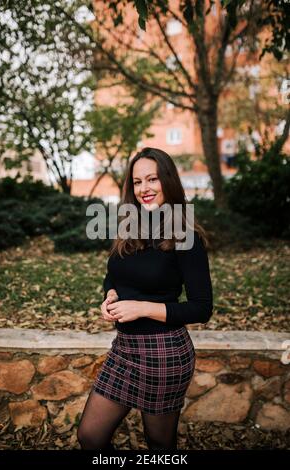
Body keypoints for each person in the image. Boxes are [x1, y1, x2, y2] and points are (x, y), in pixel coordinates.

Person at [77, 147, 213, 451]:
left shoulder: (185, 238)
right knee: (90, 436)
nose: (144, 189)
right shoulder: (131, 227)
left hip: (164, 354)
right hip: (123, 350)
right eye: (137, 182)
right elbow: (113, 275)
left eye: (152, 179)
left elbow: (202, 308)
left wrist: (142, 308)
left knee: (159, 443)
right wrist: (109, 294)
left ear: (168, 181)